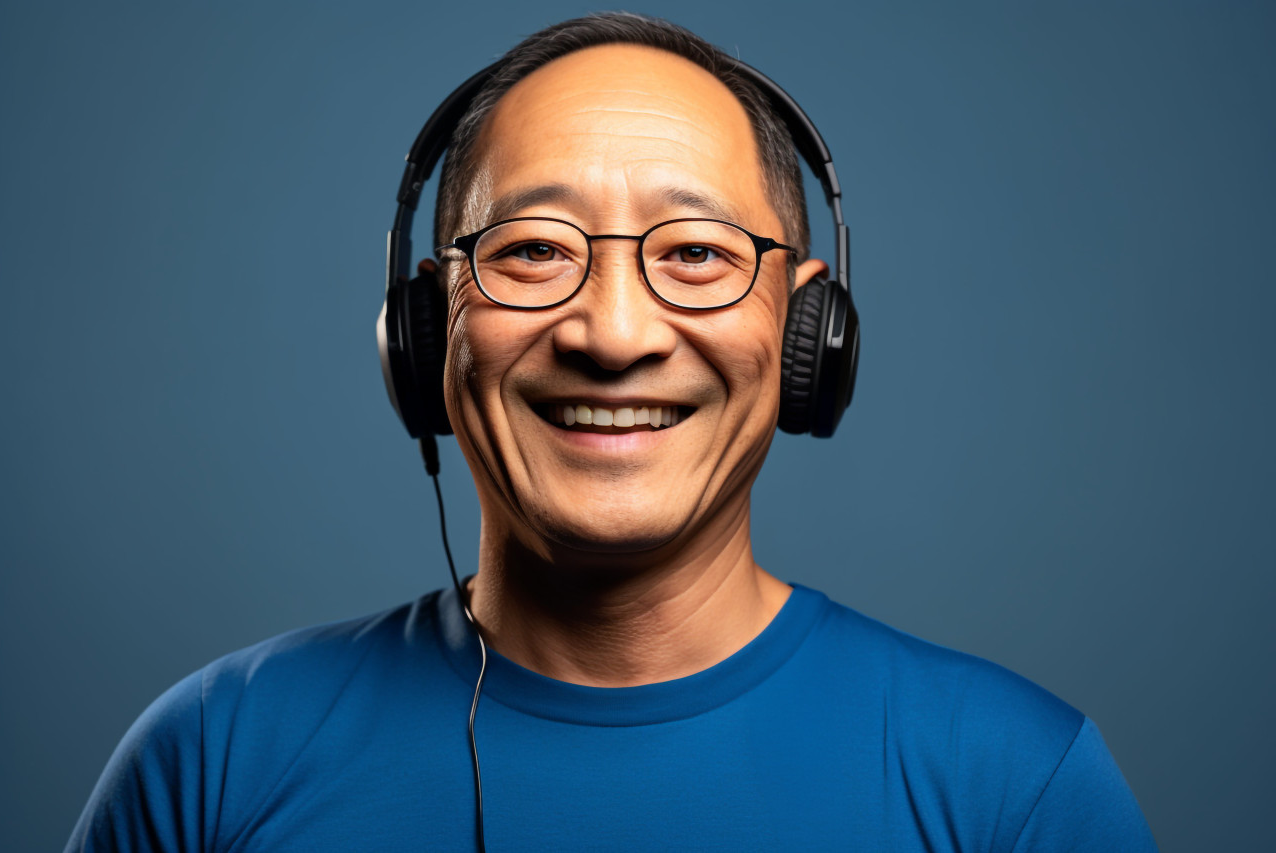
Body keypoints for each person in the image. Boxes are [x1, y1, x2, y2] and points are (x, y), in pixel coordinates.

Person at [68, 12, 1157, 852]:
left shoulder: (1012, 781)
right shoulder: (213, 755)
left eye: (695, 252)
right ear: (427, 326)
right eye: (534, 249)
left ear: (804, 331)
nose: (613, 332)